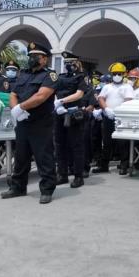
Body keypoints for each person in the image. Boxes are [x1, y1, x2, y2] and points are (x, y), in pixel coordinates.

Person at [0, 42, 59, 204]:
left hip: (41, 122)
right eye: (30, 56)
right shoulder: (23, 74)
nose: (31, 59)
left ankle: (47, 189)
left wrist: (21, 107)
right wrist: (16, 110)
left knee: (43, 157)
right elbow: (13, 94)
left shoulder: (50, 75)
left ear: (44, 59)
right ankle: (18, 187)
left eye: (35, 56)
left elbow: (41, 96)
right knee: (21, 156)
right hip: (23, 121)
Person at [53, 52, 88, 188]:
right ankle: (62, 174)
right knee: (60, 144)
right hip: (59, 113)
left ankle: (78, 176)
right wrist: (57, 104)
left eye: (71, 63)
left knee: (76, 145)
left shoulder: (81, 77)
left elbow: (79, 94)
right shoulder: (60, 77)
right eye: (66, 63)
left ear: (77, 63)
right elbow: (53, 90)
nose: (68, 65)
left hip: (73, 113)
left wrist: (62, 101)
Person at [94, 62, 133, 175]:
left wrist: (117, 111)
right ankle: (104, 165)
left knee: (122, 142)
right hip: (108, 117)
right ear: (112, 74)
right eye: (115, 73)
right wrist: (106, 109)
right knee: (106, 142)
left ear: (123, 74)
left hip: (122, 117)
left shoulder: (127, 87)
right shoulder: (107, 87)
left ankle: (124, 165)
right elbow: (101, 98)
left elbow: (128, 100)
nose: (117, 75)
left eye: (119, 73)